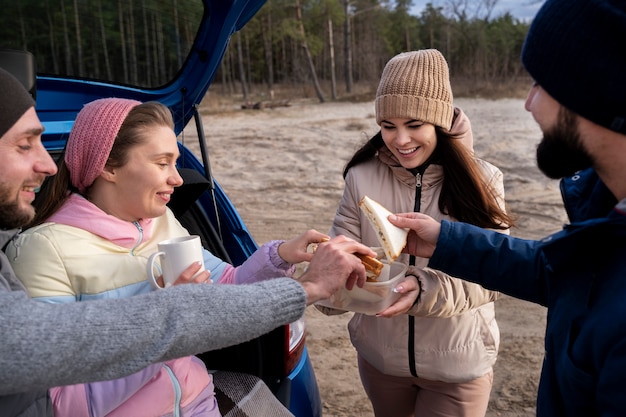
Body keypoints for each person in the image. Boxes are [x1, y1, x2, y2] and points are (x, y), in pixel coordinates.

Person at [0, 67, 375, 416]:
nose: (177, 179)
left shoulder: (161, 221)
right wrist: (170, 324)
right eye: (162, 163)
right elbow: (63, 403)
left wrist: (277, 257)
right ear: (108, 167)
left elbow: (223, 291)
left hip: (200, 403)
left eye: (176, 162)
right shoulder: (42, 251)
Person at [387, 1, 626, 416]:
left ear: (595, 90)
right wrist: (445, 238)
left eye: (540, 83)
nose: (528, 103)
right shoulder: (609, 211)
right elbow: (554, 272)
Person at [325, 49, 515, 417]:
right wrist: (328, 277)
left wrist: (426, 290)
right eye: (388, 125)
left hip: (457, 367)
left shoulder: (484, 180)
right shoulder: (360, 176)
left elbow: (495, 275)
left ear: (439, 123)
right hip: (381, 362)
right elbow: (343, 249)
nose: (400, 139)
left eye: (414, 124)